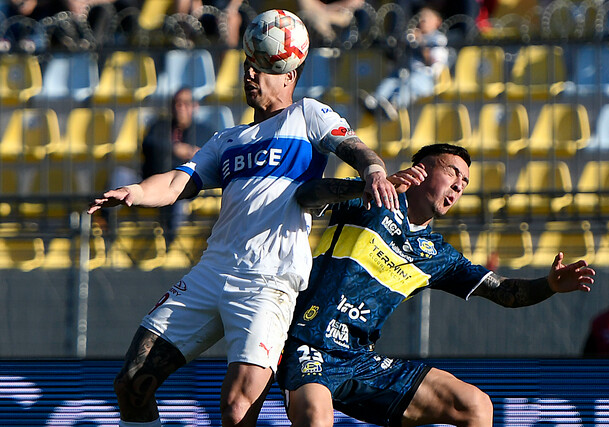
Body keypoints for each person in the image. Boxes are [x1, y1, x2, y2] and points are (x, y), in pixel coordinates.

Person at [87, 9, 397, 427]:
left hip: (268, 280)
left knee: (237, 407)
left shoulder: (307, 115)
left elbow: (356, 149)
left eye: (263, 68)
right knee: (132, 382)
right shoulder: (225, 139)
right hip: (212, 271)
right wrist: (136, 192)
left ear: (289, 73)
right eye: (248, 67)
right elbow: (179, 184)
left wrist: (374, 171)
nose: (250, 75)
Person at [277, 143, 596, 427]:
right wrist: (370, 184)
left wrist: (549, 285)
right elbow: (306, 195)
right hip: (308, 345)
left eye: (465, 182)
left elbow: (505, 292)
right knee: (316, 419)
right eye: (452, 172)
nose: (459, 185)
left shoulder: (439, 255)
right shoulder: (370, 199)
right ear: (421, 171)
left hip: (361, 361)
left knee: (474, 405)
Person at [141, 87, 210, 243]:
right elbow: (148, 144)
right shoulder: (160, 126)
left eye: (185, 103)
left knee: (178, 201)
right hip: (152, 179)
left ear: (194, 106)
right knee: (119, 176)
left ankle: (172, 246)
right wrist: (175, 148)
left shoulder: (204, 131)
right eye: (176, 103)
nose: (180, 108)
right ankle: (107, 231)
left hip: (184, 188)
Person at [359, 6, 449, 119]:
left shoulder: (438, 39)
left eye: (426, 18)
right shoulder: (414, 35)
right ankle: (375, 101)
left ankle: (394, 105)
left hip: (426, 78)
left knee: (411, 83)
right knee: (392, 80)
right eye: (420, 18)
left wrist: (420, 41)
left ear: (437, 21)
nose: (421, 21)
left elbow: (431, 61)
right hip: (407, 74)